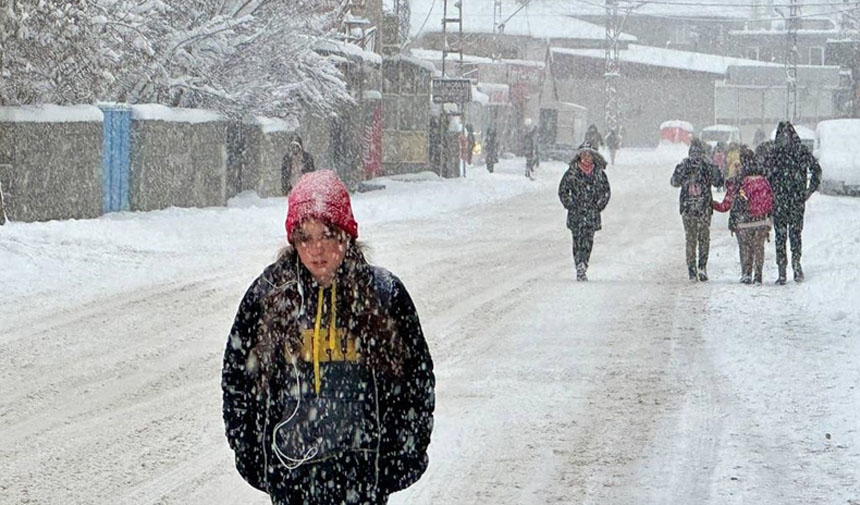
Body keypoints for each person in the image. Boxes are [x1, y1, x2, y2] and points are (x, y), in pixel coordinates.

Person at [222, 170, 435, 505]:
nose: (316, 249)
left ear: (347, 234)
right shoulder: (268, 296)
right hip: (292, 478)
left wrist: (404, 452)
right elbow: (238, 378)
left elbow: (415, 380)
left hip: (362, 478)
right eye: (304, 238)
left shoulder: (383, 294)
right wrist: (251, 454)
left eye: (327, 234)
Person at [766, 121, 821, 284]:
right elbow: (816, 170)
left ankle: (783, 271)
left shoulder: (774, 152)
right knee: (794, 234)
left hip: (780, 200)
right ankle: (795, 266)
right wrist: (808, 191)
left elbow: (766, 175)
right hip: (795, 200)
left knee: (782, 236)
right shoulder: (800, 150)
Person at [713, 145, 774, 284]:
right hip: (762, 220)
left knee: (745, 247)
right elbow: (771, 199)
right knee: (759, 247)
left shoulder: (736, 181)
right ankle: (758, 275)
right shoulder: (764, 179)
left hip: (743, 221)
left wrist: (711, 204)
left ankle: (746, 273)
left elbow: (726, 205)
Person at [670, 138, 725, 281]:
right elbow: (719, 181)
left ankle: (692, 270)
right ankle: (702, 266)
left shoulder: (684, 164)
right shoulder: (707, 165)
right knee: (704, 238)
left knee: (690, 239)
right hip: (704, 207)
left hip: (688, 208)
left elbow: (674, 182)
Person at [558, 146, 612, 281]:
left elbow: (606, 192)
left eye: (589, 156)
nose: (586, 158)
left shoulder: (599, 173)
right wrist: (570, 204)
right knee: (577, 240)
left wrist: (599, 205)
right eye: (584, 155)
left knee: (588, 240)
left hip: (591, 213)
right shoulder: (572, 172)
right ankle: (579, 265)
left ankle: (584, 262)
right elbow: (563, 191)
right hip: (576, 213)